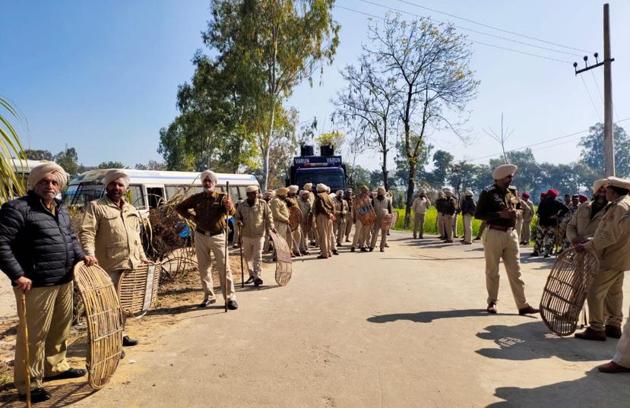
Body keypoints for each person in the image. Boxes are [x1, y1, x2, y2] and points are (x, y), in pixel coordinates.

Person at [0, 162, 90, 403]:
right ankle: (28, 383)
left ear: (59, 185)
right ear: (34, 184)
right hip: (35, 283)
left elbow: (70, 239)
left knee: (60, 329)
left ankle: (55, 367)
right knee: (34, 336)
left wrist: (82, 256)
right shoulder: (17, 208)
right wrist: (17, 274)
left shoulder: (60, 209)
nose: (50, 185)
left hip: (63, 279)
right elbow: (1, 244)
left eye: (54, 182)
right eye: (44, 181)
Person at [79, 169, 148, 347]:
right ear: (107, 186)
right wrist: (90, 254)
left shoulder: (131, 209)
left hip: (131, 264)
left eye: (120, 185)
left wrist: (142, 256)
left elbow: (136, 237)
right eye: (113, 184)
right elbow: (87, 232)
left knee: (124, 304)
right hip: (108, 265)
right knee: (107, 306)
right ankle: (110, 341)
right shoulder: (96, 206)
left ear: (125, 189)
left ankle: (121, 334)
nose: (116, 188)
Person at [474, 164, 539, 316]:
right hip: (494, 233)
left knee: (516, 271)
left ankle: (522, 305)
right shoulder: (488, 193)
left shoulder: (511, 193)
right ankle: (492, 302)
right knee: (492, 271)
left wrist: (516, 212)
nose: (511, 179)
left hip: (511, 234)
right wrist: (499, 215)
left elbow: (520, 208)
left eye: (511, 176)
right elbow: (478, 214)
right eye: (508, 177)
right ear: (500, 178)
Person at [574, 177, 630, 341]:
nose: (605, 194)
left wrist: (587, 246)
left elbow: (609, 235)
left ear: (614, 191)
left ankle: (596, 328)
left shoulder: (619, 207)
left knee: (594, 292)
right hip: (621, 256)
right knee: (614, 292)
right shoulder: (625, 204)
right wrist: (592, 240)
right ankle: (613, 325)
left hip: (610, 256)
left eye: (607, 191)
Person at [175, 170, 238, 310]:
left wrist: (230, 206)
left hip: (218, 236)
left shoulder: (222, 197)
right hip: (201, 235)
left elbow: (233, 213)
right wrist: (191, 217)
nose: (207, 183)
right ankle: (209, 296)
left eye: (210, 180)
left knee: (224, 268)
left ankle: (230, 298)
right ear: (202, 183)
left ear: (215, 183)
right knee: (204, 268)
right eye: (205, 180)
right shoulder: (196, 198)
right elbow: (179, 207)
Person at [236, 186, 275, 287]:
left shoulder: (262, 203)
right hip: (246, 235)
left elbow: (269, 215)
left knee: (258, 256)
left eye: (256, 193)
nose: (256, 195)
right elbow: (237, 217)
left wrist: (271, 226)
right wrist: (239, 221)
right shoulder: (241, 205)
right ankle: (252, 274)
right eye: (253, 193)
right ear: (248, 195)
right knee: (248, 258)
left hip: (259, 234)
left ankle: (258, 276)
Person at [533, 189, 568, 257]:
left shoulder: (543, 202)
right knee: (549, 238)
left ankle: (536, 251)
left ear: (548, 195)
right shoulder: (557, 203)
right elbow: (566, 209)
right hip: (552, 224)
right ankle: (546, 253)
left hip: (542, 223)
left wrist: (544, 215)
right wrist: (558, 215)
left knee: (539, 237)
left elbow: (539, 212)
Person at [314, 184, 335, 258]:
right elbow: (333, 206)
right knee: (329, 235)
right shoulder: (328, 196)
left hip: (322, 216)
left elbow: (321, 207)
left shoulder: (319, 196)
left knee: (323, 236)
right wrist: (331, 214)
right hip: (329, 217)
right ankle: (329, 252)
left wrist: (328, 214)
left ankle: (324, 254)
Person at [370, 187, 393, 252]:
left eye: (381, 191)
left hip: (385, 219)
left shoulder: (387, 200)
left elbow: (390, 210)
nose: (380, 192)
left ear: (384, 192)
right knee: (375, 233)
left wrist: (390, 218)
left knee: (384, 234)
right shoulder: (374, 200)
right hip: (376, 218)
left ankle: (382, 247)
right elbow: (371, 209)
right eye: (379, 191)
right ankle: (372, 246)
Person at [351, 185, 372, 252]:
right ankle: (354, 246)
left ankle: (361, 246)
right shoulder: (357, 198)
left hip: (365, 217)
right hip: (360, 217)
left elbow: (369, 208)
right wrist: (354, 217)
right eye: (366, 190)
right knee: (358, 232)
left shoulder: (367, 198)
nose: (366, 192)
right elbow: (354, 208)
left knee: (363, 232)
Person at [286, 185, 303, 256]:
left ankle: (296, 250)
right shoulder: (286, 199)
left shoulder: (296, 198)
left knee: (298, 235)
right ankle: (290, 251)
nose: (294, 194)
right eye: (293, 193)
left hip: (296, 221)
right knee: (290, 237)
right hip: (289, 221)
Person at [297, 190, 312, 255]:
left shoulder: (308, 201)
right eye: (305, 194)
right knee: (301, 235)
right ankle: (302, 249)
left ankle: (305, 247)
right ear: (302, 195)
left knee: (305, 235)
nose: (307, 196)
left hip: (306, 220)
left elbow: (310, 210)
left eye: (307, 194)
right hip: (300, 220)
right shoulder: (298, 201)